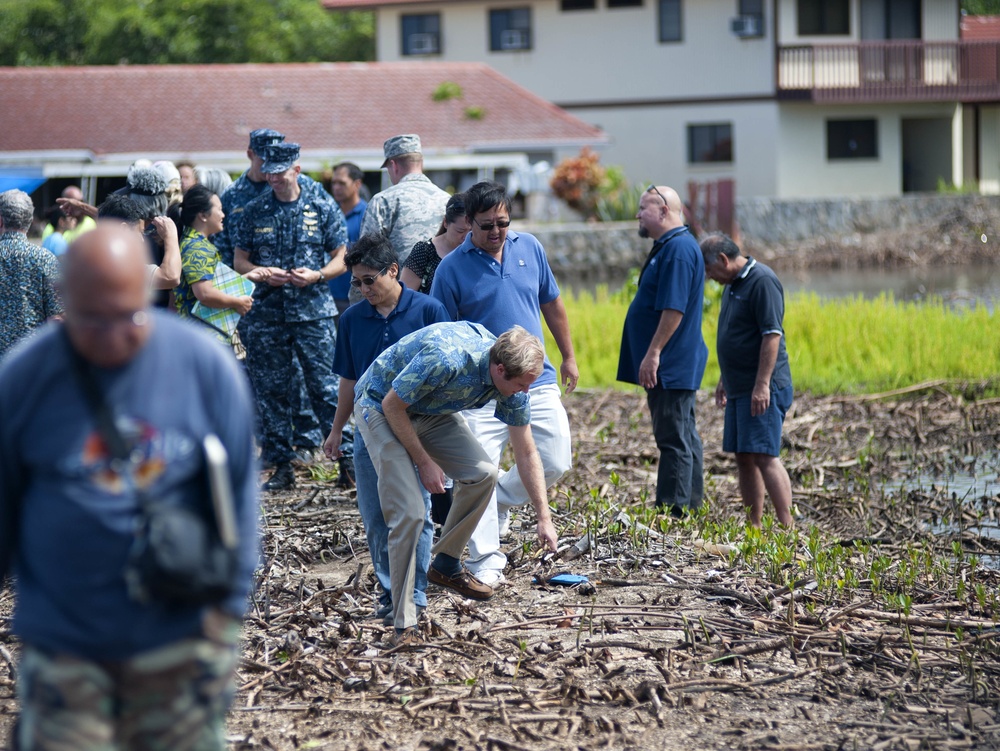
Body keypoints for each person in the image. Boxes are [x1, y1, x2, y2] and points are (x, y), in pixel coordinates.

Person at [0, 223, 260, 751]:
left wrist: (226, 621)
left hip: (179, 632)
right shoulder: (26, 377)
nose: (115, 334)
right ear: (64, 302)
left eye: (130, 315)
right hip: (66, 636)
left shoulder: (203, 366)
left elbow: (238, 501)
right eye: (94, 319)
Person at [353, 322, 558, 645]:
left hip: (430, 409)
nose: (525, 392)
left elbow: (526, 450)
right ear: (500, 369)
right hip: (380, 406)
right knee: (410, 512)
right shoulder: (447, 358)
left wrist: (544, 518)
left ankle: (446, 562)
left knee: (484, 475)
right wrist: (424, 462)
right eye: (521, 385)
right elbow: (393, 406)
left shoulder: (514, 382)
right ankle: (404, 623)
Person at [430, 180, 576, 586]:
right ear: (467, 224)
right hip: (480, 388)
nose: (496, 232)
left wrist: (568, 355)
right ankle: (486, 560)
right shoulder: (451, 269)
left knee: (556, 458)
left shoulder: (529, 248)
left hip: (535, 377)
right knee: (478, 471)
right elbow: (446, 336)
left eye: (503, 223)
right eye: (486, 225)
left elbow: (552, 303)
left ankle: (499, 502)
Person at [322, 233, 449, 625]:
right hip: (368, 427)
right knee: (376, 514)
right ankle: (390, 590)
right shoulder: (351, 318)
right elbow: (348, 380)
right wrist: (335, 429)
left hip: (417, 425)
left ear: (393, 270)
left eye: (369, 280)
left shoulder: (428, 310)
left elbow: (447, 372)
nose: (362, 289)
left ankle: (416, 593)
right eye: (356, 283)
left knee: (417, 512)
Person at [233, 142, 349, 491]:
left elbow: (341, 256)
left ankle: (347, 463)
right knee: (272, 391)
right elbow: (240, 261)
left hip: (313, 312)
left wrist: (318, 276)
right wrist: (262, 271)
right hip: (268, 314)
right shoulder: (255, 210)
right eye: (268, 173)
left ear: (296, 171)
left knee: (327, 389)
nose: (273, 179)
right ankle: (282, 465)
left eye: (280, 173)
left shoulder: (321, 205)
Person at [617, 185, 708, 517]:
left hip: (671, 362)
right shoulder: (669, 247)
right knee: (682, 433)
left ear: (665, 210)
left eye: (644, 208)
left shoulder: (679, 250)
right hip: (671, 361)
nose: (638, 214)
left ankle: (675, 510)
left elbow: (674, 308)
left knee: (674, 438)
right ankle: (690, 506)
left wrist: (653, 353)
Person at [701, 232, 794, 528]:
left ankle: (786, 525)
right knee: (743, 455)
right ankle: (754, 525)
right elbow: (736, 335)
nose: (707, 276)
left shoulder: (762, 281)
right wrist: (724, 378)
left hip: (763, 387)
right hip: (739, 385)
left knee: (765, 454)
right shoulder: (731, 284)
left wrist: (762, 384)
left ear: (724, 260)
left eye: (708, 268)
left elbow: (771, 335)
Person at [170, 185, 266, 342]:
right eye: (219, 209)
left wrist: (247, 277)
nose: (223, 215)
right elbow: (205, 293)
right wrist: (238, 302)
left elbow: (211, 286)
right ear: (203, 215)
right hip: (201, 337)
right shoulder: (197, 248)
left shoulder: (197, 243)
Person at [360, 134, 449, 269]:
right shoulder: (447, 200)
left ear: (393, 165)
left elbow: (367, 256)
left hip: (400, 288)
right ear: (421, 162)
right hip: (441, 288)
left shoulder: (383, 201)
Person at [0, 190, 63, 360]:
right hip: (31, 360)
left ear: (0, 221)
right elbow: (57, 318)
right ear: (29, 222)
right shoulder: (45, 259)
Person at [402, 192, 470, 295]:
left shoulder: (478, 251)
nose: (466, 237)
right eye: (460, 231)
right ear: (446, 222)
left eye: (471, 232)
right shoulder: (424, 251)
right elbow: (405, 297)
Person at [327, 161, 368, 315]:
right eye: (334, 183)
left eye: (342, 183)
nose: (336, 188)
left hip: (356, 297)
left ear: (357, 184)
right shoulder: (329, 214)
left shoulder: (367, 214)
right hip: (328, 296)